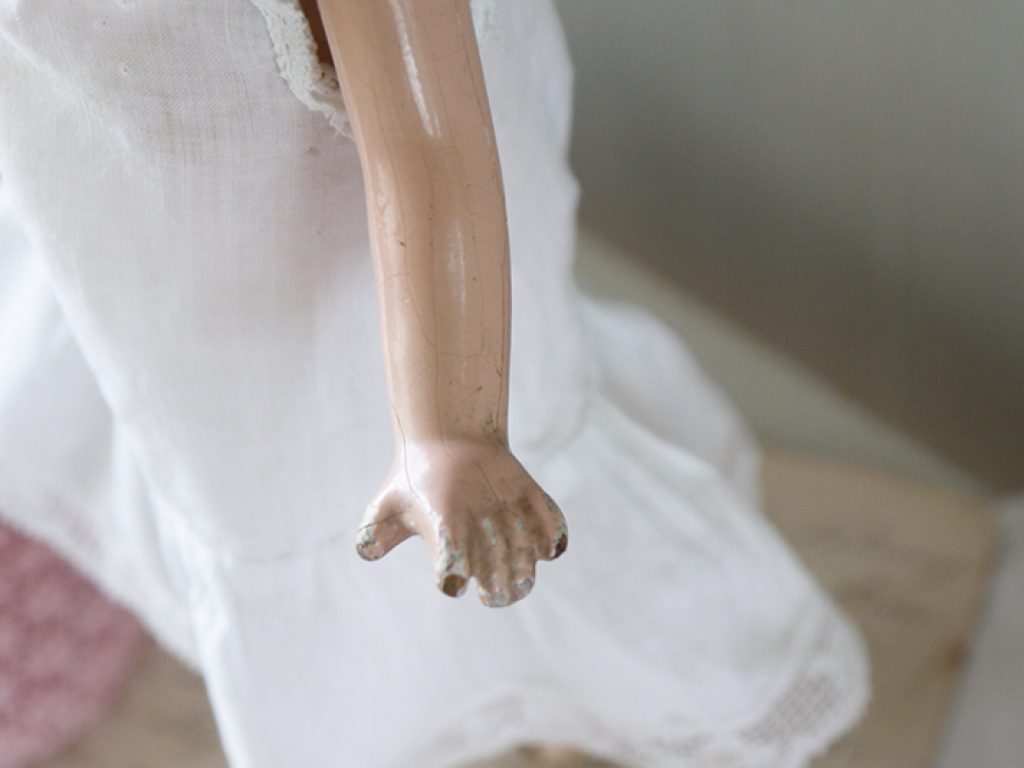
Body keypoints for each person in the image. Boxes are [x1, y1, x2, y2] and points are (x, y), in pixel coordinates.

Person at [0, 1, 868, 765]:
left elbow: (428, 145)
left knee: (498, 535)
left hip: (420, 318)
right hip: (184, 319)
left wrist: (452, 430)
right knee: (278, 502)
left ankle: (579, 694)